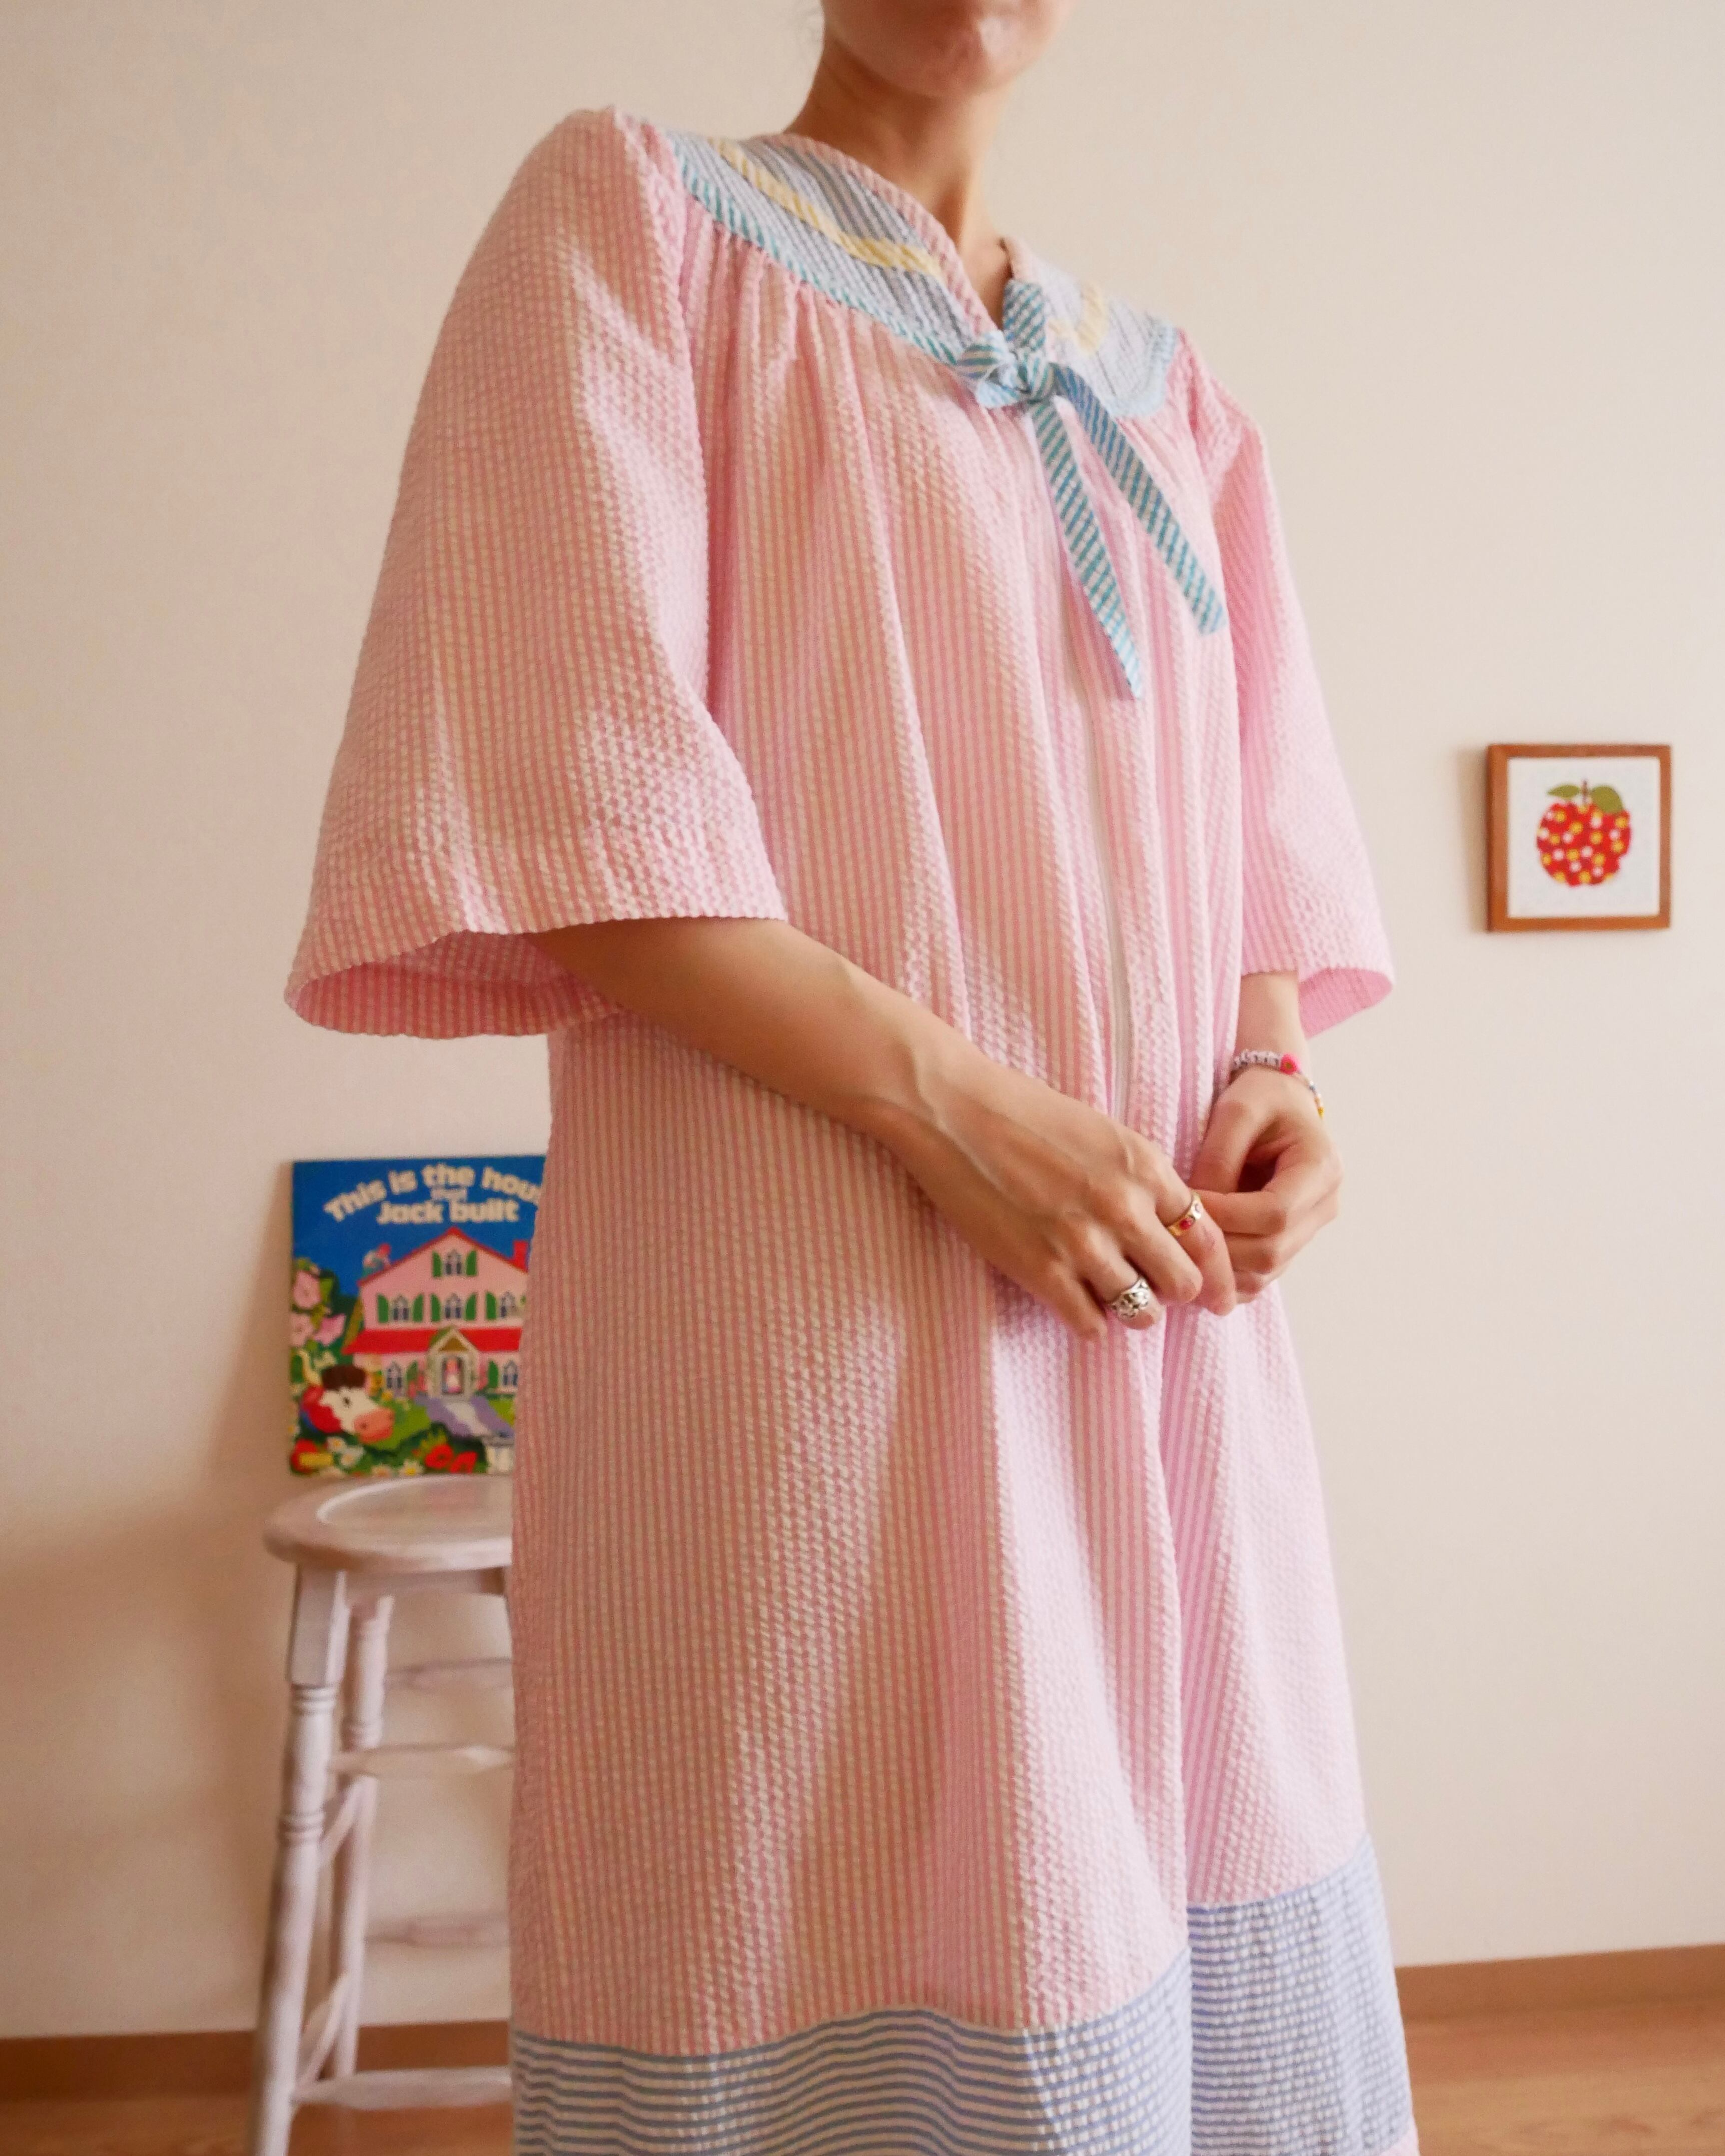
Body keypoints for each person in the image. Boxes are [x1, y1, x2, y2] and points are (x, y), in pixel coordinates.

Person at [287, 1, 1417, 2148]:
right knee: (830, 1878)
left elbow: (1256, 825)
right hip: (799, 1282)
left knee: (1181, 1859)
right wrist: (960, 1114)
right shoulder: (637, 222)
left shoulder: (1167, 388)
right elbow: (572, 801)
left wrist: (1274, 1068)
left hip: (1156, 1321)